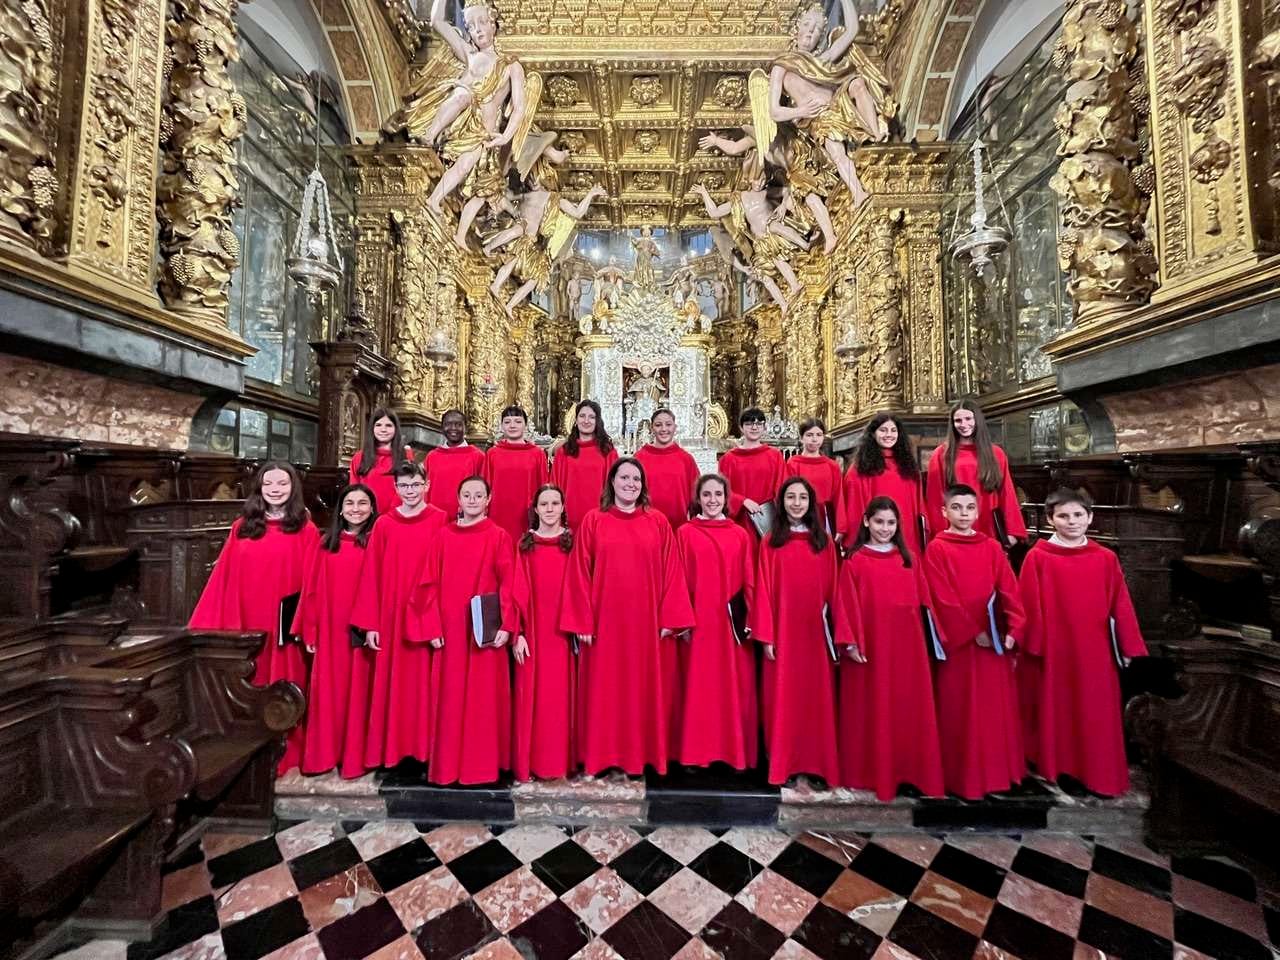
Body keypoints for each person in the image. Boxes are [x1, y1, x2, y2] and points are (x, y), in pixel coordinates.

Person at [560, 458, 693, 776]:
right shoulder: (594, 520)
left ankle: (641, 756)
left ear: (643, 485)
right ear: (612, 482)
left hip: (646, 624)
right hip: (604, 622)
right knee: (605, 690)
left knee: (641, 690)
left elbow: (672, 570)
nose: (630, 483)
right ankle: (602, 755)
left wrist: (669, 619)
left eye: (636, 479)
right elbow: (580, 571)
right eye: (624, 478)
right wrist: (583, 621)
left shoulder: (658, 522)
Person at [190, 462, 319, 774]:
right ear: (259, 488)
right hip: (247, 618)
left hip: (285, 621)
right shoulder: (242, 526)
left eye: (282, 483)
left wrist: (306, 623)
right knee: (250, 679)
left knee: (285, 683)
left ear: (293, 488)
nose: (275, 489)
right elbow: (224, 574)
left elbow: (315, 581)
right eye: (269, 483)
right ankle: (252, 750)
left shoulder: (306, 529)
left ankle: (287, 746)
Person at [1018, 488, 1147, 796]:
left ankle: (1097, 772)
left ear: (1090, 518)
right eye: (1063, 516)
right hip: (1056, 650)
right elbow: (1027, 603)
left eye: (1078, 515)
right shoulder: (1038, 557)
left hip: (1095, 651)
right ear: (1051, 520)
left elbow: (1121, 604)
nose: (1071, 521)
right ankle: (1062, 768)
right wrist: (1034, 646)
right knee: (1060, 709)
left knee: (1095, 712)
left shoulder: (1105, 559)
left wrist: (1128, 645)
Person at [835, 497, 945, 800]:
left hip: (907, 651)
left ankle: (909, 770)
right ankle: (868, 772)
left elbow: (924, 604)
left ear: (898, 526)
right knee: (871, 709)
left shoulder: (908, 558)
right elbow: (845, 606)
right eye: (879, 522)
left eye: (891, 523)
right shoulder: (854, 560)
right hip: (869, 649)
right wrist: (851, 641)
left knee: (906, 709)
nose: (885, 528)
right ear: (866, 522)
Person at [923, 484, 1027, 799]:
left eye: (969, 508)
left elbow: (1009, 588)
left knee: (995, 711)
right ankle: (961, 777)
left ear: (978, 510)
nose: (964, 514)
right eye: (956, 508)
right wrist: (972, 632)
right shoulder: (937, 549)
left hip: (993, 643)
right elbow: (941, 597)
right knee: (960, 712)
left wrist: (1014, 628)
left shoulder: (993, 548)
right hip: (963, 646)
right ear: (944, 512)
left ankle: (998, 775)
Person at [418, 477, 517, 785]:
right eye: (466, 495)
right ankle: (447, 768)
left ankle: (483, 767)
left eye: (479, 495)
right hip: (450, 630)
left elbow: (510, 583)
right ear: (458, 499)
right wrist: (431, 625)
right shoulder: (443, 536)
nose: (472, 500)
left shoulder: (500, 536)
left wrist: (507, 624)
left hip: (484, 632)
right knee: (449, 697)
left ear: (489, 499)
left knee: (483, 698)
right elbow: (427, 583)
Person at [350, 462, 447, 769]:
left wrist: (438, 618)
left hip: (428, 613)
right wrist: (371, 624)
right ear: (395, 489)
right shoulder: (384, 524)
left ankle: (426, 749)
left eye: (416, 485)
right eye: (404, 486)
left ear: (427, 485)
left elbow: (448, 570)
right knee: (394, 684)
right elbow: (370, 575)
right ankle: (392, 750)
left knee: (427, 684)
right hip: (392, 615)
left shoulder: (441, 520)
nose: (411, 491)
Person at [751, 477, 839, 786]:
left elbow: (834, 591)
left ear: (811, 502)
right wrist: (767, 635)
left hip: (815, 635)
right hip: (783, 635)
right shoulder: (771, 540)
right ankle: (783, 764)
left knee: (815, 700)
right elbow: (762, 588)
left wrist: (835, 633)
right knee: (782, 701)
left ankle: (816, 764)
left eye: (803, 497)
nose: (797, 503)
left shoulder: (824, 543)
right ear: (781, 502)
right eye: (791, 497)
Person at [292, 484, 378, 779]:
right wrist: (310, 629)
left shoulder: (377, 542)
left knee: (361, 694)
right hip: (330, 631)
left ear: (372, 509)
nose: (356, 508)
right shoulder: (325, 543)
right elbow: (311, 590)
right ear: (340, 509)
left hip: (362, 631)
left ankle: (356, 758)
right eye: (350, 503)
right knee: (329, 693)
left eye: (363, 503)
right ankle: (324, 755)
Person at [674, 474, 757, 770]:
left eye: (718, 495)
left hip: (730, 624)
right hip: (698, 622)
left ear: (726, 498)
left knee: (733, 687)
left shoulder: (740, 535)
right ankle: (695, 753)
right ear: (698, 498)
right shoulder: (684, 533)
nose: (712, 501)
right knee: (699, 687)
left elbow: (750, 578)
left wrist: (750, 619)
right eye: (706, 495)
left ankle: (732, 751)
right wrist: (682, 620)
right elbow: (677, 579)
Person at [511, 485, 577, 780]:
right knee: (532, 699)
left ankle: (561, 762)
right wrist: (518, 633)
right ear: (535, 509)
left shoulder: (573, 543)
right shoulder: (524, 545)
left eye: (555, 503)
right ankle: (532, 762)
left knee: (561, 699)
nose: (549, 509)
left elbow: (584, 588)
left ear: (563, 507)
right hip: (534, 635)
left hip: (564, 635)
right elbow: (515, 592)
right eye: (544, 504)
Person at [925, 400, 1026, 545]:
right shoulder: (940, 454)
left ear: (977, 420)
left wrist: (1012, 531)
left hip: (989, 526)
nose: (963, 424)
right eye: (958, 420)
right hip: (954, 529)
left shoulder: (996, 454)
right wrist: (940, 534)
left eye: (968, 418)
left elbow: (1007, 494)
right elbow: (935, 499)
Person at [844, 412, 927, 557]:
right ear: (873, 434)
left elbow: (918, 505)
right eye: (883, 430)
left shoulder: (907, 465)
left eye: (893, 430)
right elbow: (854, 506)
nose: (889, 434)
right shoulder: (860, 467)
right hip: (875, 536)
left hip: (906, 533)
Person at [718, 407, 786, 546]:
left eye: (759, 423)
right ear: (741, 428)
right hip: (740, 519)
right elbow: (722, 490)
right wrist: (742, 501)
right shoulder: (728, 459)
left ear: (764, 427)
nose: (754, 427)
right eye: (749, 424)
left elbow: (783, 487)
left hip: (768, 518)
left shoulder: (774, 456)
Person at [485, 404, 550, 547]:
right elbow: (485, 487)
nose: (512, 425)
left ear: (526, 425)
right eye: (507, 422)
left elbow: (544, 487)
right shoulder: (492, 454)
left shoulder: (537, 454)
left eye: (518, 421)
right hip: (498, 513)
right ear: (501, 426)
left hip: (527, 516)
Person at [551, 399, 618, 526]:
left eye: (591, 417)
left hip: (600, 516)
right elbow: (555, 485)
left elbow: (615, 487)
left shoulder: (608, 451)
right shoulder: (564, 451)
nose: (586, 421)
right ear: (575, 420)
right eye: (582, 416)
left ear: (597, 421)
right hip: (569, 516)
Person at [634, 408, 700, 532]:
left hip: (678, 528)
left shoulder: (686, 459)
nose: (664, 429)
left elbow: (696, 496)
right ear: (652, 428)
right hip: (645, 526)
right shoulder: (639, 458)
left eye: (668, 424)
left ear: (675, 427)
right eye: (658, 425)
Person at [784, 417, 845, 540]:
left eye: (819, 435)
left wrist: (841, 526)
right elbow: (788, 495)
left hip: (827, 519)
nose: (814, 439)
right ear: (801, 438)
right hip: (801, 517)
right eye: (809, 435)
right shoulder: (793, 464)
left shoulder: (831, 465)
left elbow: (839, 496)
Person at [349, 408, 415, 513]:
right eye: (378, 425)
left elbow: (408, 487)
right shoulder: (359, 457)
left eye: (388, 425)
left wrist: (391, 514)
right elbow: (354, 492)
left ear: (395, 429)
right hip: (367, 516)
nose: (383, 430)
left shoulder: (406, 455)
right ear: (372, 428)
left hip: (396, 515)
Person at [425, 409, 486, 518]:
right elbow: (425, 489)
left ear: (465, 427)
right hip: (435, 517)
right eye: (448, 424)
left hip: (466, 517)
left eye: (458, 424)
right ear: (442, 428)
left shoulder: (477, 456)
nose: (453, 428)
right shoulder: (432, 456)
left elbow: (484, 489)